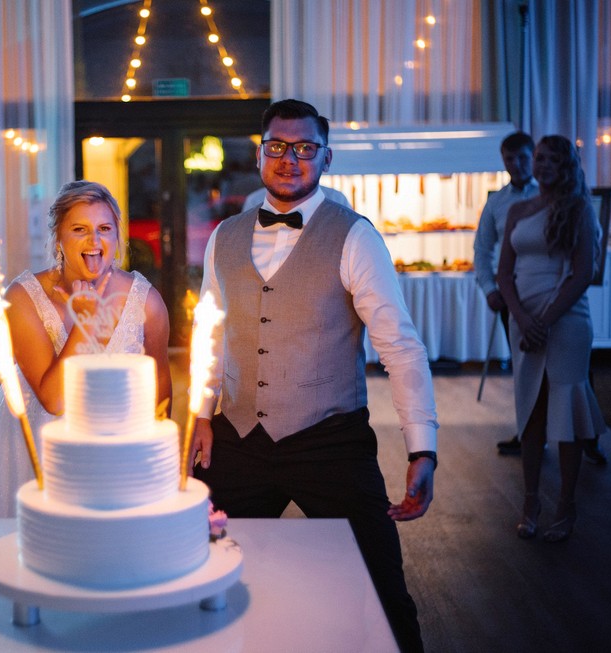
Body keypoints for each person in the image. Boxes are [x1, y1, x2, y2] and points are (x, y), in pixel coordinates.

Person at [191, 99, 438, 653]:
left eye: (304, 148)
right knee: (201, 570)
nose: (290, 158)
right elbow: (210, 333)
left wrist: (422, 447)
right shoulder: (224, 236)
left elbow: (399, 346)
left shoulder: (355, 236)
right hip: (238, 438)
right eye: (277, 146)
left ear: (326, 158)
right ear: (259, 154)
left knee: (381, 589)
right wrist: (202, 413)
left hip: (329, 440)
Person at [0, 180, 172, 518]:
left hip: (116, 448)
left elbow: (160, 388)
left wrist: (156, 459)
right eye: (80, 229)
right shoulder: (22, 297)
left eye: (104, 229)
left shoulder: (146, 301)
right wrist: (85, 324)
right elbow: (54, 399)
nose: (95, 241)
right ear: (58, 237)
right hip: (37, 444)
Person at [496, 135, 607, 543]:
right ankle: (530, 503)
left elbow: (583, 273)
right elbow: (504, 273)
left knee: (566, 412)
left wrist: (544, 319)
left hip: (567, 321)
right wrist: (523, 318)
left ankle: (566, 505)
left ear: (566, 166)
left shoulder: (579, 209)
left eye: (550, 160)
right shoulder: (518, 210)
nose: (541, 165)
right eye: (539, 158)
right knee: (531, 410)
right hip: (524, 321)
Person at [473, 133, 538, 454]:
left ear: (533, 157)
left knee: (564, 367)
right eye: (510, 159)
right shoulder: (497, 202)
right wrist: (489, 289)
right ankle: (527, 433)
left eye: (523, 158)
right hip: (510, 295)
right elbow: (482, 249)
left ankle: (584, 437)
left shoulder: (550, 195)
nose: (516, 165)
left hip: (548, 291)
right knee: (522, 367)